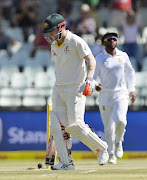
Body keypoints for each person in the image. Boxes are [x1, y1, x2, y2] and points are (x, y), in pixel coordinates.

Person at [43, 13, 109, 170]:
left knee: (75, 127)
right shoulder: (53, 45)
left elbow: (91, 60)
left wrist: (89, 80)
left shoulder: (75, 41)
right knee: (57, 127)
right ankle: (66, 162)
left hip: (75, 89)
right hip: (58, 88)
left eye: (52, 31)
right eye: (48, 32)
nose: (50, 35)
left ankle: (102, 148)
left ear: (61, 27)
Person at [93, 32, 136, 164]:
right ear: (104, 42)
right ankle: (111, 154)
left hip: (120, 93)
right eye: (109, 39)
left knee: (121, 121)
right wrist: (96, 86)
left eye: (114, 39)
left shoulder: (123, 56)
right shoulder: (99, 58)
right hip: (105, 95)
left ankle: (119, 142)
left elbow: (130, 72)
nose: (112, 41)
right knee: (108, 128)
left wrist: (131, 89)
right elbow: (93, 78)